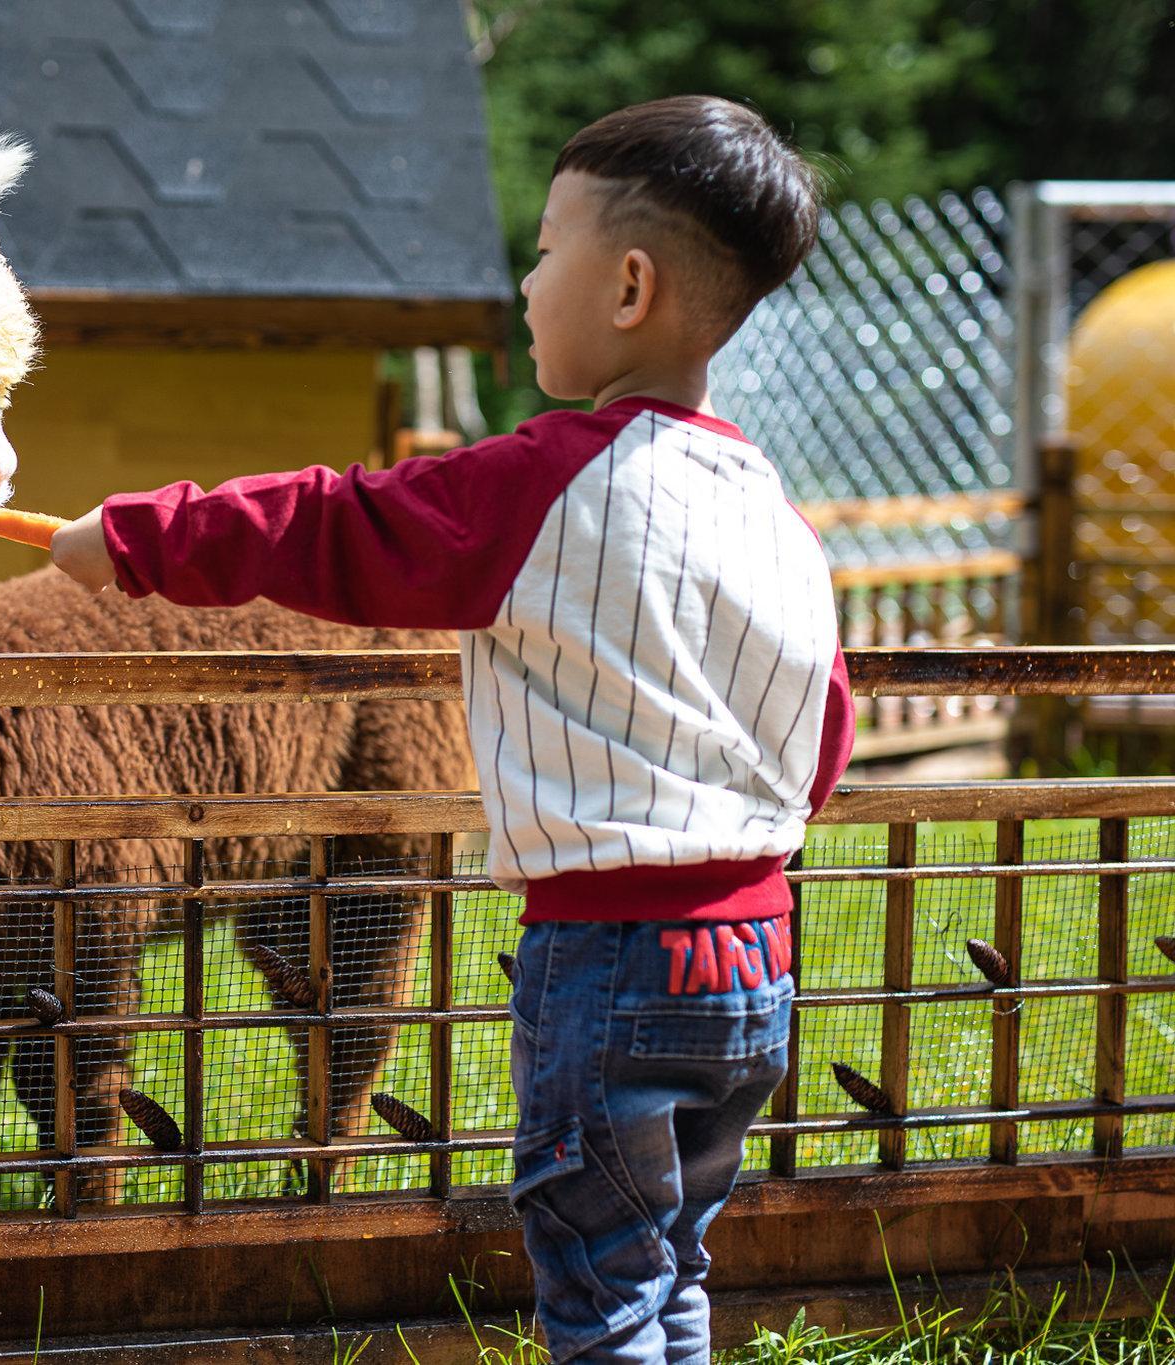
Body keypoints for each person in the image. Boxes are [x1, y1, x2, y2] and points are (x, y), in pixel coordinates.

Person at [49, 95, 854, 1363]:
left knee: (598, 1287)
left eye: (543, 248)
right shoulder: (774, 511)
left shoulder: (540, 483)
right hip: (753, 960)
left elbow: (334, 523)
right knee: (666, 1267)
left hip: (610, 962)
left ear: (628, 285)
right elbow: (821, 736)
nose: (525, 280)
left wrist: (132, 539)